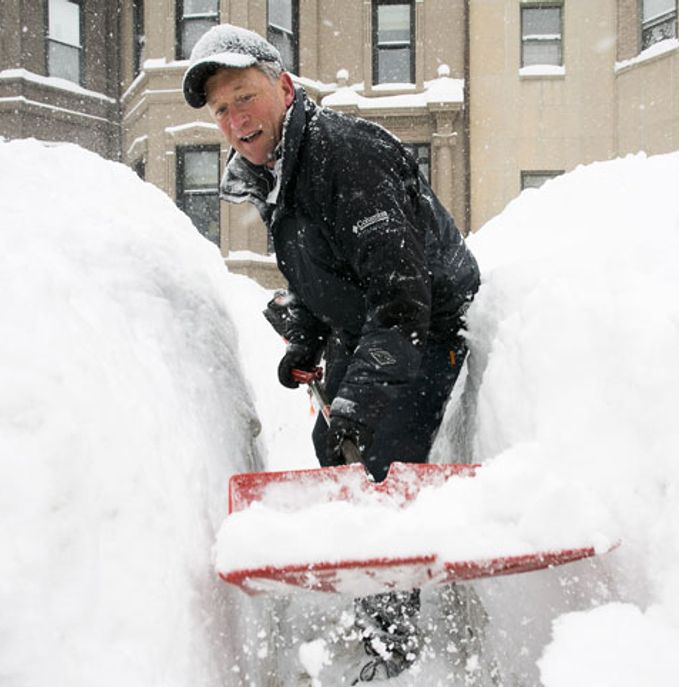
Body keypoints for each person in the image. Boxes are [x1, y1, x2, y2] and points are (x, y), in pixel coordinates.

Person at [182, 24, 480, 682]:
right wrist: (308, 340)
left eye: (245, 97)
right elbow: (327, 270)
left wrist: (362, 397)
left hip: (426, 326)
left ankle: (394, 646)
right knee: (329, 445)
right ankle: (375, 591)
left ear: (284, 87)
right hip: (367, 323)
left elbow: (404, 299)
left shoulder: (345, 156)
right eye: (222, 110)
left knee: (378, 468)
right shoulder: (278, 170)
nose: (235, 119)